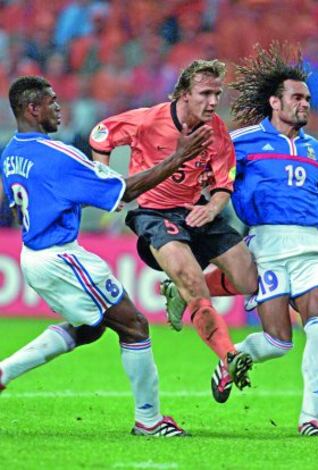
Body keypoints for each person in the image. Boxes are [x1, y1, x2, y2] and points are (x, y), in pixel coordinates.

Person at [162, 43, 318, 437]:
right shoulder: (242, 142)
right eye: (297, 98)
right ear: (274, 101)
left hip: (312, 248)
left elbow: (311, 204)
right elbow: (207, 174)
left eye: (307, 98)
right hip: (266, 246)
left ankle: (311, 418)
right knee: (279, 342)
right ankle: (231, 359)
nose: (305, 104)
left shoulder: (316, 151)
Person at [0, 75, 214, 437]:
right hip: (60, 255)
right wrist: (178, 157)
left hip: (33, 254)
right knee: (135, 326)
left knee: (91, 327)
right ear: (32, 109)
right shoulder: (59, 155)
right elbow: (123, 192)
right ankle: (149, 421)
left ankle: (5, 371)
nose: (58, 107)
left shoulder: (11, 153)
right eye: (51, 101)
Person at [89, 59, 258, 392]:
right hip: (155, 215)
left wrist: (213, 206)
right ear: (183, 94)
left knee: (248, 279)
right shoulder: (148, 120)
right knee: (192, 281)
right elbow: (101, 136)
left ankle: (176, 292)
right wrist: (107, 181)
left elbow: (225, 181)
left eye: (217, 94)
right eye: (204, 93)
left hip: (197, 212)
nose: (212, 102)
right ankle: (229, 354)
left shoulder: (217, 131)